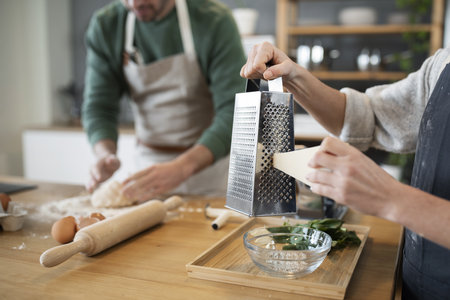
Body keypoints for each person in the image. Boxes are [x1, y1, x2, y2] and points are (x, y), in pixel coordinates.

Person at [241, 42, 450, 299]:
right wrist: (295, 78)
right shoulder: (443, 62)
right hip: (420, 279)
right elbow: (370, 117)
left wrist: (394, 199)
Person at [82, 0, 246, 202]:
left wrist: (183, 167)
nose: (135, 3)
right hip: (147, 172)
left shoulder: (213, 20)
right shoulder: (108, 25)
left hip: (212, 174)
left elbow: (235, 110)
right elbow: (99, 107)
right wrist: (105, 154)